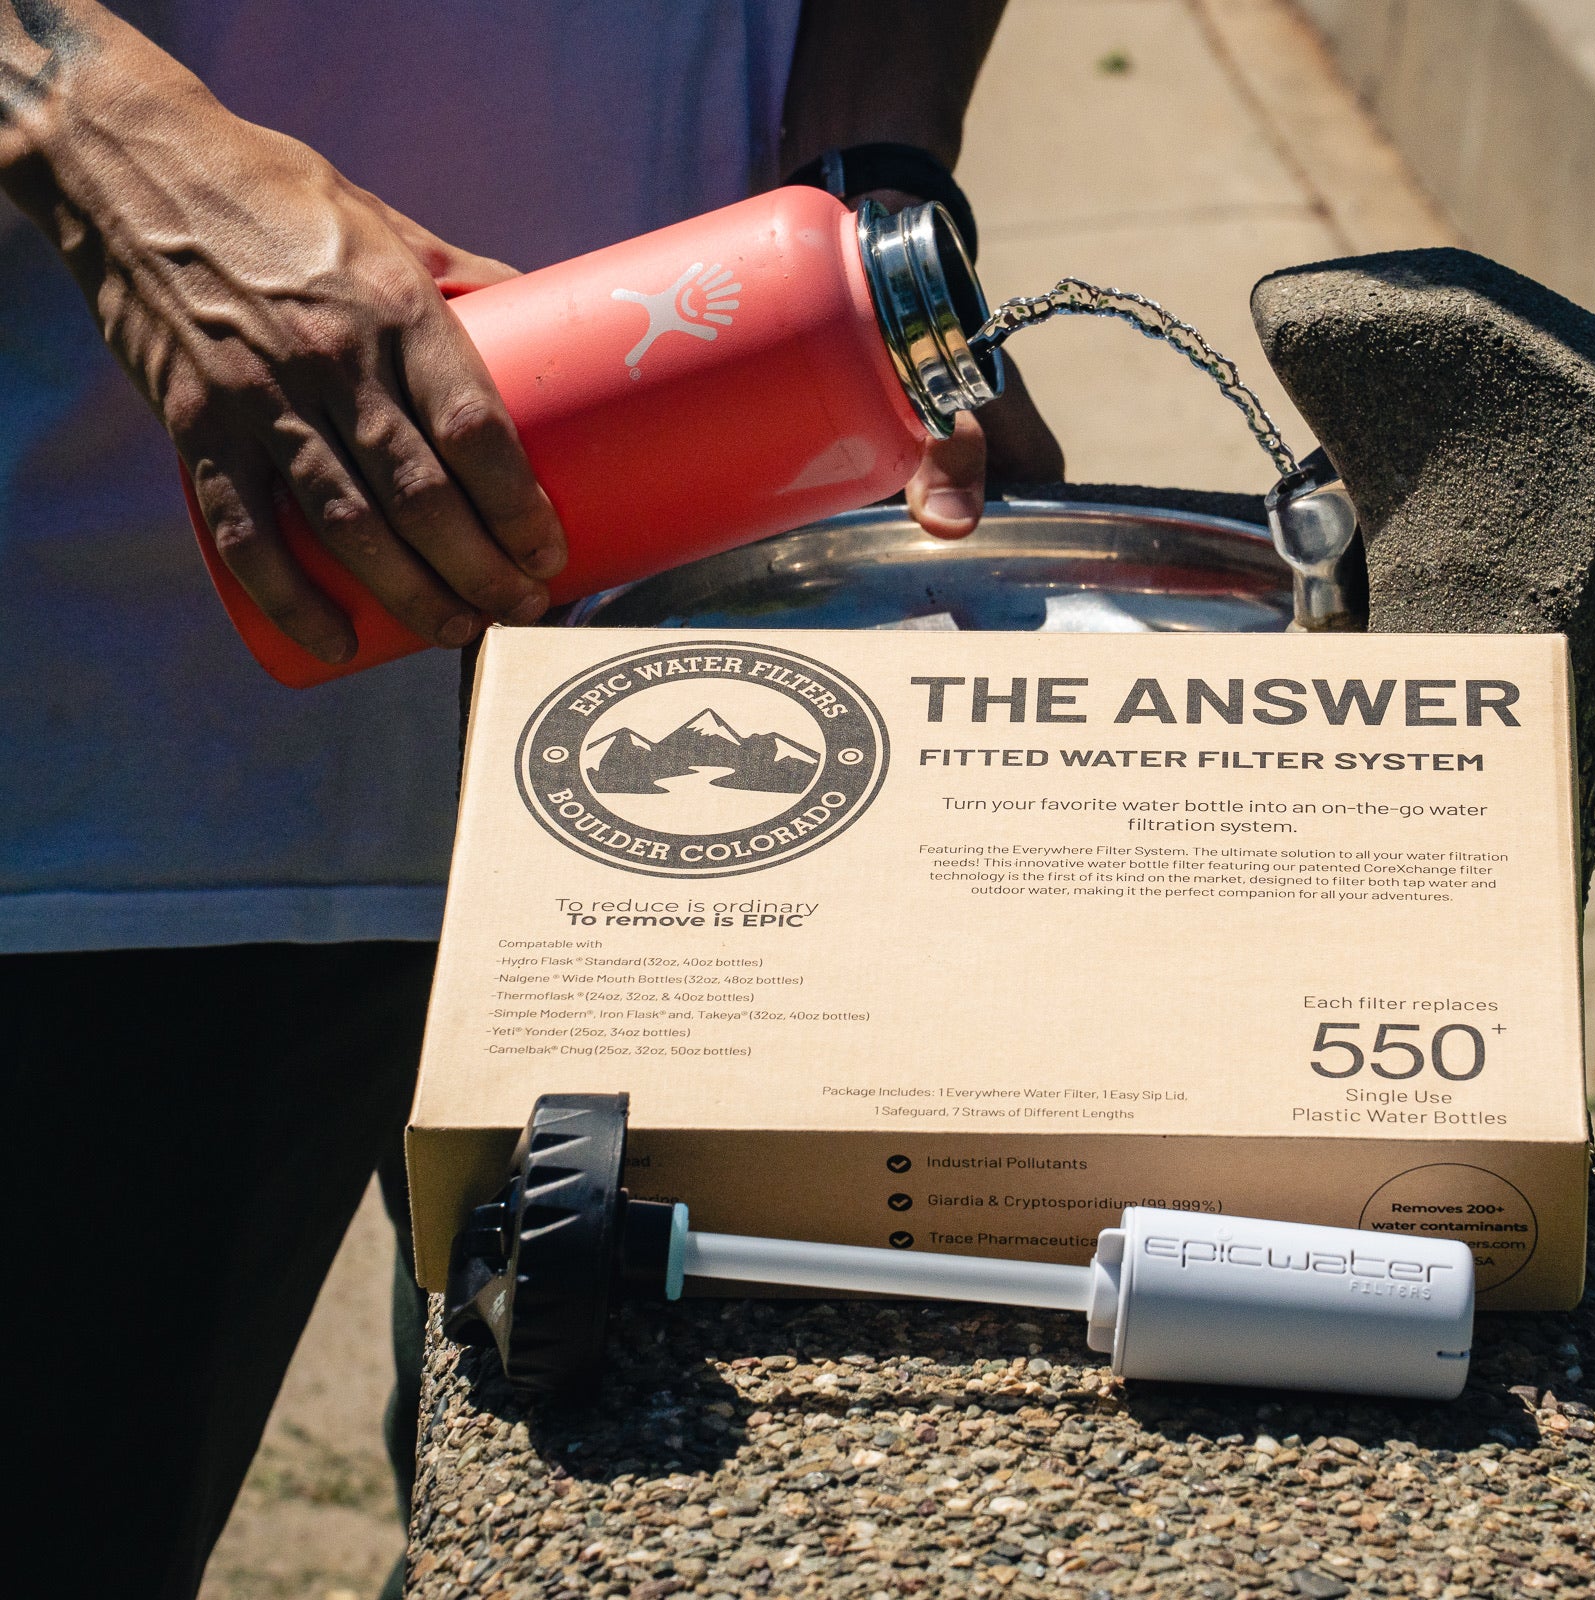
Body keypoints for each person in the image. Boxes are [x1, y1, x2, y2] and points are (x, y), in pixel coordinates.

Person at [0, 3, 1061, 1595]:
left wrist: (870, 175)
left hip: (692, 657)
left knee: (642, 1527)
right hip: (100, 737)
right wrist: (100, 135)